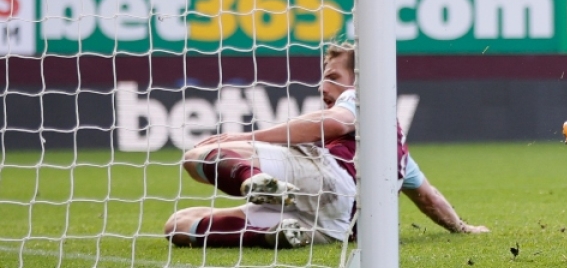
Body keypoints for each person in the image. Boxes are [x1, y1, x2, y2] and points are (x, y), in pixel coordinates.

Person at [163, 44, 487, 249]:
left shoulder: (363, 96)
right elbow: (429, 197)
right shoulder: (397, 152)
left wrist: (244, 138)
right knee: (179, 224)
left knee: (198, 157)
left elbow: (335, 123)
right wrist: (462, 228)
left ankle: (254, 181)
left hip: (330, 178)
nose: (323, 86)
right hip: (335, 227)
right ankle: (271, 233)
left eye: (332, 76)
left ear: (359, 77)